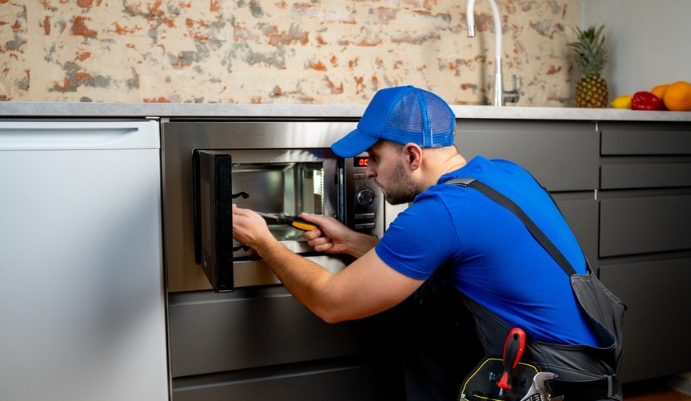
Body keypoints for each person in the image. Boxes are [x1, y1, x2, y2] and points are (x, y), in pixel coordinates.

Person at [231, 85, 623, 401]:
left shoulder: (440, 212)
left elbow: (331, 303)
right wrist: (351, 242)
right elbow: (448, 257)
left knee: (415, 310)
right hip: (591, 374)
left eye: (373, 158)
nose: (369, 173)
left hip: (549, 387)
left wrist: (264, 242)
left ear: (412, 155)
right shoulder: (503, 174)